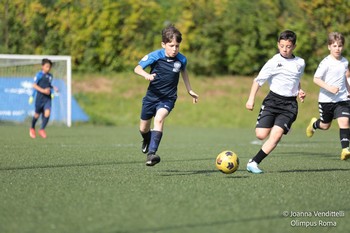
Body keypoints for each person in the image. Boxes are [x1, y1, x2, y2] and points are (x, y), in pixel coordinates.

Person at [134, 25, 199, 166]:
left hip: (168, 98)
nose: (174, 49)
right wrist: (147, 75)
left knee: (159, 119)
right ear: (163, 44)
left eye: (177, 46)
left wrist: (189, 90)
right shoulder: (155, 56)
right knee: (143, 128)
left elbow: (184, 72)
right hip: (151, 98)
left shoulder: (181, 59)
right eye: (171, 46)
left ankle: (151, 154)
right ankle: (146, 138)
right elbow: (137, 68)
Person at [245, 30, 306, 174]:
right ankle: (280, 125)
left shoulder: (300, 63)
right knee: (260, 135)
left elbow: (296, 81)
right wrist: (251, 98)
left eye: (288, 46)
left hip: (289, 105)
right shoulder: (273, 62)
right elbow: (258, 81)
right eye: (282, 46)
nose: (285, 49)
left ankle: (254, 162)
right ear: (278, 45)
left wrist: (299, 91)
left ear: (294, 46)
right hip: (272, 101)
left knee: (276, 135)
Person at [306, 32, 350, 160]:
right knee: (325, 125)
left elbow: (344, 79)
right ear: (329, 47)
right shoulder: (326, 62)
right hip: (326, 100)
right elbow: (316, 79)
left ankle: (345, 149)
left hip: (342, 99)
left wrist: (349, 91)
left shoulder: (344, 62)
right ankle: (314, 124)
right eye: (335, 46)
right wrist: (329, 88)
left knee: (345, 121)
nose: (338, 48)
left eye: (340, 46)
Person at [29, 58, 58, 139]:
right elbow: (34, 85)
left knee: (47, 113)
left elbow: (48, 85)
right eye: (47, 66)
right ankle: (32, 128)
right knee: (37, 115)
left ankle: (41, 129)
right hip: (40, 98)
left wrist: (53, 87)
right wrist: (43, 91)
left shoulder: (50, 76)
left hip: (47, 98)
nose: (48, 68)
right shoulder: (39, 75)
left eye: (49, 67)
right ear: (42, 66)